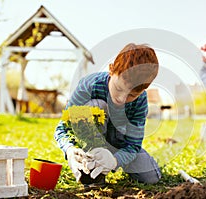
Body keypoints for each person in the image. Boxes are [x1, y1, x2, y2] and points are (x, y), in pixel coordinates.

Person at [54, 43, 161, 186]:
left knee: (151, 177)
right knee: (96, 105)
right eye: (118, 88)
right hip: (92, 141)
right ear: (111, 70)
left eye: (132, 95)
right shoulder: (88, 86)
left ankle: (107, 162)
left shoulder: (140, 101)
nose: (122, 99)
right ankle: (93, 169)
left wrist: (115, 160)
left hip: (120, 143)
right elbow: (62, 128)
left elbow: (133, 145)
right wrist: (70, 150)